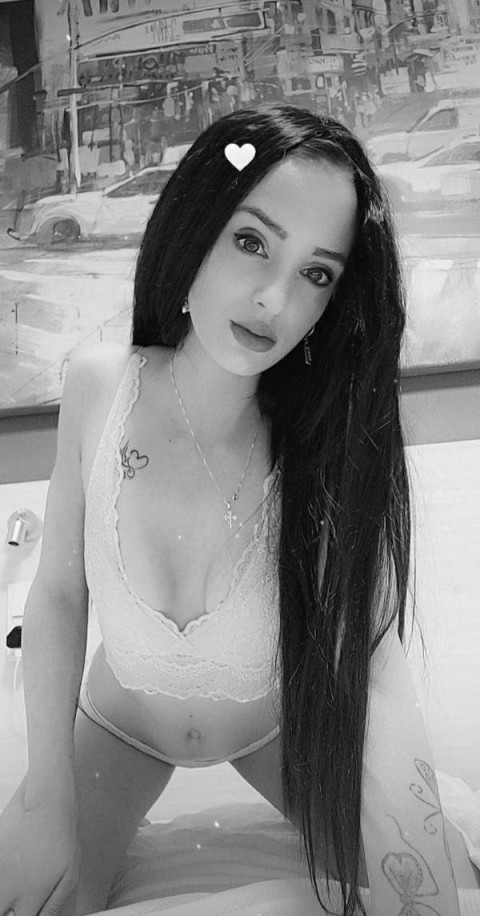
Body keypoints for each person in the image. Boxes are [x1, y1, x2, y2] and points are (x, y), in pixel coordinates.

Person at [0, 105, 479, 916]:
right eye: (252, 241)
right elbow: (57, 595)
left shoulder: (318, 440)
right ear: (196, 227)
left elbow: (369, 648)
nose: (273, 298)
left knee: (437, 895)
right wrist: (46, 796)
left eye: (317, 274)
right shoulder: (100, 385)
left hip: (273, 732)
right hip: (119, 731)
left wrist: (421, 846)